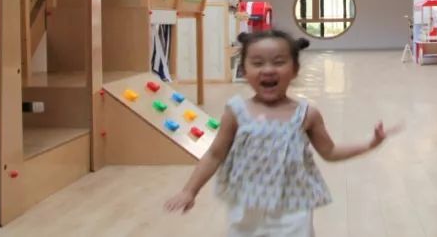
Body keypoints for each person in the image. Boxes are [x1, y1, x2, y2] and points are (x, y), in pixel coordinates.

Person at [165, 28, 397, 235]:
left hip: (293, 208)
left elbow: (330, 152)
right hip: (246, 206)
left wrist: (370, 144)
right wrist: (189, 191)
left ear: (295, 69)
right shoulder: (236, 112)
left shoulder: (307, 114)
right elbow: (215, 154)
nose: (268, 69)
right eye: (257, 63)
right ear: (244, 70)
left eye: (278, 62)